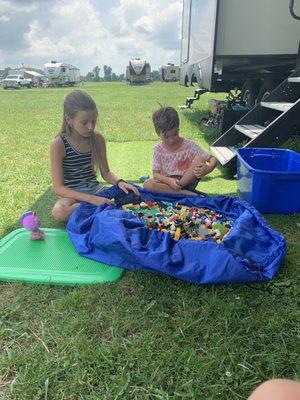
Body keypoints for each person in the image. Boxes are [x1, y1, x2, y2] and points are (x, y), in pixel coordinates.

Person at [50, 90, 139, 221]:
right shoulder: (59, 144)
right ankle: (104, 207)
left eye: (94, 121)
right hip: (73, 197)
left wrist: (120, 182)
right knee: (59, 212)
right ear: (69, 119)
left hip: (96, 190)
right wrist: (92, 199)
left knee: (133, 192)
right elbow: (58, 187)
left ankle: (99, 208)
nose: (90, 127)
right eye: (84, 122)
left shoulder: (97, 139)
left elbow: (106, 173)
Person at [143, 106, 217, 195]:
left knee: (200, 159)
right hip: (168, 184)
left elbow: (212, 159)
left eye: (175, 134)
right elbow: (156, 174)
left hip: (188, 183)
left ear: (178, 128)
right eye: (166, 137)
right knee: (147, 184)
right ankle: (182, 193)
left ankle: (179, 190)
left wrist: (208, 168)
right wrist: (169, 180)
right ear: (158, 133)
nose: (171, 140)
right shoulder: (158, 150)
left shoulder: (189, 145)